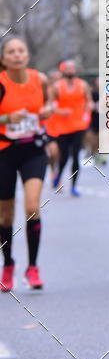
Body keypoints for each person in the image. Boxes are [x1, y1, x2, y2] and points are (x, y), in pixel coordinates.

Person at [0, 37, 53, 292]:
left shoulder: (39, 79)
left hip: (33, 150)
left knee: (32, 206)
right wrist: (7, 117)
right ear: (4, 59)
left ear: (27, 55)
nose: (17, 55)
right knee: (5, 214)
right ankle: (7, 265)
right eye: (11, 52)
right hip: (4, 152)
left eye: (21, 50)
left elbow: (51, 103)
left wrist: (48, 111)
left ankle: (33, 268)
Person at [50, 61, 93, 196]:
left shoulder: (83, 85)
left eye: (72, 68)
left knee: (75, 155)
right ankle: (58, 176)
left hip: (79, 125)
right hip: (62, 126)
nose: (70, 70)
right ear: (63, 71)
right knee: (64, 156)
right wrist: (60, 111)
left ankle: (74, 186)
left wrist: (89, 106)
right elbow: (51, 105)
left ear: (75, 70)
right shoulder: (57, 86)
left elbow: (89, 101)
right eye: (67, 68)